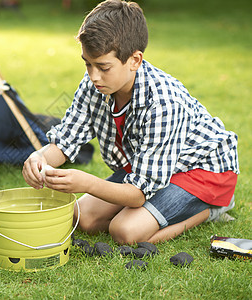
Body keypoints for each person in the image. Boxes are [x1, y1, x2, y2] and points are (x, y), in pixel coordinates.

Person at [22, 0, 239, 245]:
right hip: (149, 166)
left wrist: (87, 183)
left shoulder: (162, 101)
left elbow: (137, 195)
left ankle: (210, 209)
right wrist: (39, 158)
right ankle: (158, 212)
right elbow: (67, 139)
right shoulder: (96, 83)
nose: (93, 76)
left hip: (201, 170)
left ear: (135, 60)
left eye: (103, 67)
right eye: (87, 64)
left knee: (125, 232)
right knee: (83, 218)